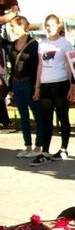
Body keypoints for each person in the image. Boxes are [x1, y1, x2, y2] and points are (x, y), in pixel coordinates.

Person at [31, 14, 74, 166]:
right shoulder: (42, 44)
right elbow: (40, 65)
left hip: (61, 83)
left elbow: (69, 66)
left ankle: (64, 149)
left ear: (58, 25)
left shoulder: (65, 44)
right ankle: (45, 152)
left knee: (63, 117)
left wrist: (71, 86)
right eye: (47, 25)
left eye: (53, 25)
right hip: (45, 84)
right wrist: (37, 87)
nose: (50, 28)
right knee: (45, 119)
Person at [2, 16, 43, 157]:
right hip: (17, 83)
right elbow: (13, 66)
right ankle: (27, 146)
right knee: (23, 116)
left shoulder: (34, 44)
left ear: (22, 26)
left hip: (29, 83)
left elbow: (38, 66)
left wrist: (37, 87)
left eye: (13, 26)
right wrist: (11, 87)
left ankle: (38, 146)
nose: (12, 29)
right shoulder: (12, 44)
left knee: (37, 115)